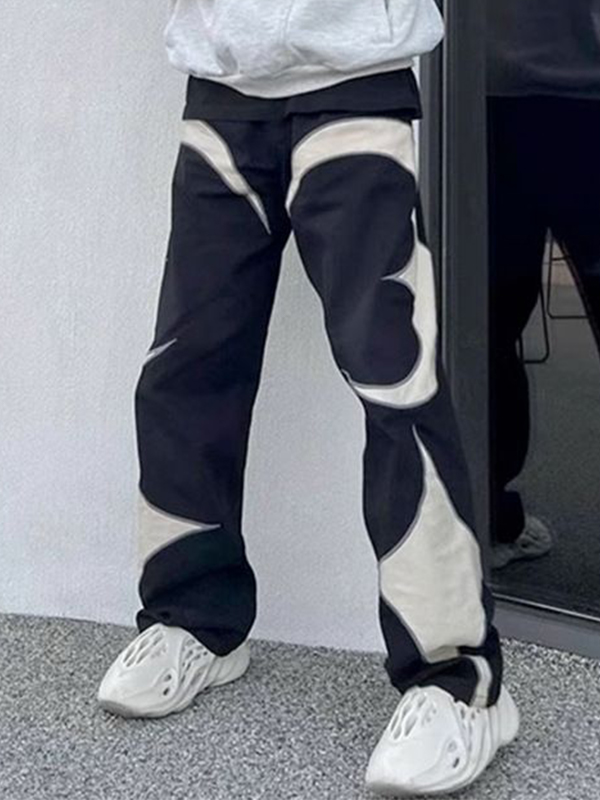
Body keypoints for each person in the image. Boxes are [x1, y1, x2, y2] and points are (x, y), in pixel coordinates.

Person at [97, 1, 519, 794]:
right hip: (221, 84)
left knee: (394, 379)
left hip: (357, 83)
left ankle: (459, 681)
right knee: (185, 372)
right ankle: (194, 619)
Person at [486, 0, 600, 570]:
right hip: (570, 98)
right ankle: (493, 518)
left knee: (488, 322)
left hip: (482, 97)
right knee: (488, 323)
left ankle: (492, 519)